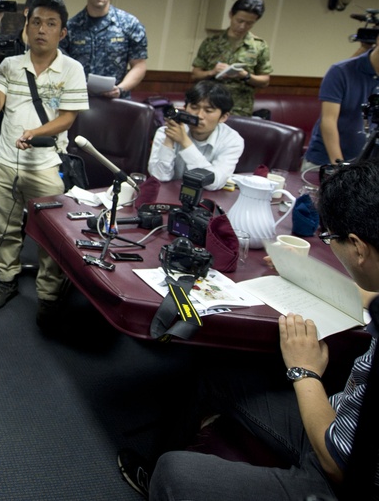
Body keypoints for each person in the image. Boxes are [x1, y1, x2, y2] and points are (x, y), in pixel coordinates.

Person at [118, 159, 379, 500]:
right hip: (342, 421)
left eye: (330, 238)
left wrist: (305, 372)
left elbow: (337, 461)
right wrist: (302, 272)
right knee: (215, 377)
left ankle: (162, 483)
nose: (330, 244)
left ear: (358, 246)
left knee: (174, 473)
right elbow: (370, 295)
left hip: (347, 474)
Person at [0, 0, 88, 326]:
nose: (42, 29)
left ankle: (48, 294)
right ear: (26, 26)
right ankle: (6, 279)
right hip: (3, 162)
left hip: (44, 167)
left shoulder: (72, 69)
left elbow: (68, 118)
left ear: (62, 32)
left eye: (51, 24)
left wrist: (36, 133)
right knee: (4, 227)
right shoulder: (11, 65)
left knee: (49, 237)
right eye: (36, 22)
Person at [60, 0, 147, 99]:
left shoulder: (129, 24)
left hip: (116, 102)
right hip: (80, 101)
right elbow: (61, 64)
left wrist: (121, 88)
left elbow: (139, 65)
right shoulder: (71, 27)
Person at [148, 80, 244, 191]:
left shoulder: (232, 140)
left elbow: (214, 182)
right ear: (185, 107)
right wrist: (169, 139)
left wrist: (185, 143)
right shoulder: (165, 132)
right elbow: (159, 177)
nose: (199, 116)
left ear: (223, 117)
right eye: (194, 108)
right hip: (169, 194)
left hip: (206, 199)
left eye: (208, 111)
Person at [190, 0, 272, 117]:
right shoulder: (211, 42)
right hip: (210, 106)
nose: (242, 26)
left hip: (240, 108)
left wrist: (245, 75)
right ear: (231, 15)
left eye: (249, 23)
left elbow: (265, 80)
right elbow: (195, 75)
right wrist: (212, 72)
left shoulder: (259, 46)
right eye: (239, 21)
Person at [303, 45, 379, 168]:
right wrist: (339, 167)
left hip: (368, 169)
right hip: (326, 162)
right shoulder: (341, 70)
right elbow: (329, 121)